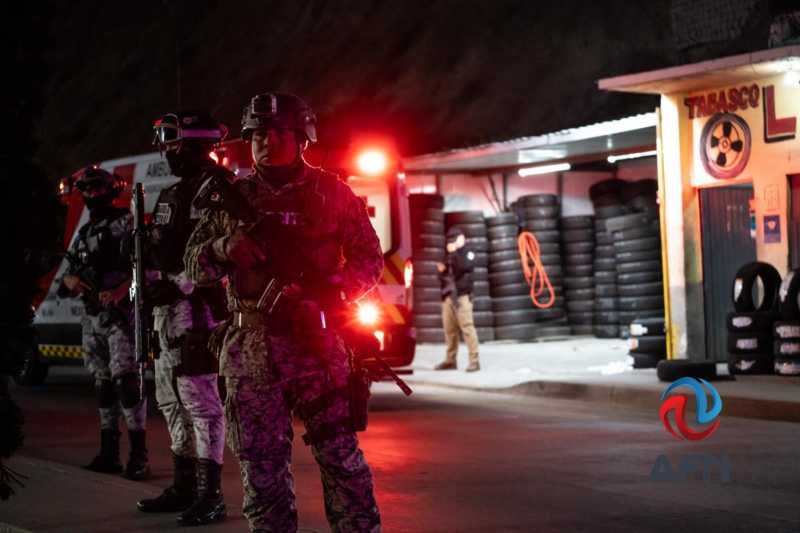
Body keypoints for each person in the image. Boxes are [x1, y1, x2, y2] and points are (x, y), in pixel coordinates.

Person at [184, 92, 383, 533]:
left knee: (342, 461)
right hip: (250, 352)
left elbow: (370, 260)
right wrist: (224, 248)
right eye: (257, 135)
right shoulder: (231, 197)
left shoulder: (333, 194)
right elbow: (192, 266)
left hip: (317, 348)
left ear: (301, 138)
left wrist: (329, 296)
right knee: (262, 470)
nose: (266, 142)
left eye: (277, 134)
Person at [135, 111, 228, 525]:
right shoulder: (172, 194)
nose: (167, 152)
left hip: (200, 311)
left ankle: (211, 494)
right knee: (170, 399)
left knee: (201, 403)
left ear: (195, 143)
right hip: (166, 314)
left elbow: (225, 253)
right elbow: (161, 248)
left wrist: (179, 285)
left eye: (172, 143)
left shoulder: (222, 190)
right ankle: (184, 486)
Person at [57, 166, 150, 479]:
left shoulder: (127, 222)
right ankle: (109, 453)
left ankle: (138, 455)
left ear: (112, 189)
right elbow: (65, 278)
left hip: (121, 315)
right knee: (103, 384)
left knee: (127, 382)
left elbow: (146, 267)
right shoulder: (85, 233)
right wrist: (70, 281)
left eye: (97, 187)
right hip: (93, 316)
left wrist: (122, 291)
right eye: (86, 189)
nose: (91, 193)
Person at [434, 227, 481, 372]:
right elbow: (444, 273)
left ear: (462, 238)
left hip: (462, 296)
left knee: (467, 327)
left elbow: (463, 266)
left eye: (455, 239)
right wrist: (441, 270)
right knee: (449, 330)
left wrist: (454, 252)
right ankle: (450, 360)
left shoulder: (469, 251)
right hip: (448, 295)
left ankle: (474, 361)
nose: (453, 242)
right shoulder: (449, 254)